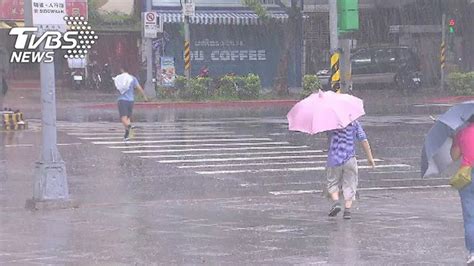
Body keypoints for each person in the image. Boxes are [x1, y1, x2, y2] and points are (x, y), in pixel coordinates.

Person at [326, 120, 375, 219]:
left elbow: (328, 137)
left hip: (334, 158)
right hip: (350, 158)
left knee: (332, 182)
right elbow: (363, 139)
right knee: (350, 183)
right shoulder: (354, 123)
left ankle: (336, 202)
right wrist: (370, 157)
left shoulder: (330, 122)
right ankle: (347, 210)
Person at [451, 115, 474, 265]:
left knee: (470, 215)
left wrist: (454, 139)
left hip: (467, 175)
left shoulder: (462, 132)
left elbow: (454, 156)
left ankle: (473, 252)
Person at [115, 65, 148, 141]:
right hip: (131, 100)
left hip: (122, 100)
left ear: (121, 69)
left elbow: (117, 87)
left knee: (123, 118)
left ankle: (129, 127)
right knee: (127, 118)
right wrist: (144, 96)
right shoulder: (132, 78)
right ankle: (127, 135)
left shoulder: (120, 78)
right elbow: (139, 88)